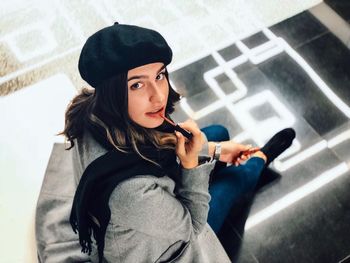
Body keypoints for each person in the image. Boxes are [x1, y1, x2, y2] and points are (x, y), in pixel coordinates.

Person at [58, 22, 295, 262]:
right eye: (137, 84)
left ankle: (222, 158)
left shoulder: (92, 110)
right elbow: (193, 227)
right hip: (168, 248)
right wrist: (192, 166)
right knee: (234, 181)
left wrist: (218, 150)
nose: (159, 95)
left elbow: (158, 145)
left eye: (159, 75)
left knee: (218, 132)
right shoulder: (131, 193)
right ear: (112, 93)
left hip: (149, 199)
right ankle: (260, 159)